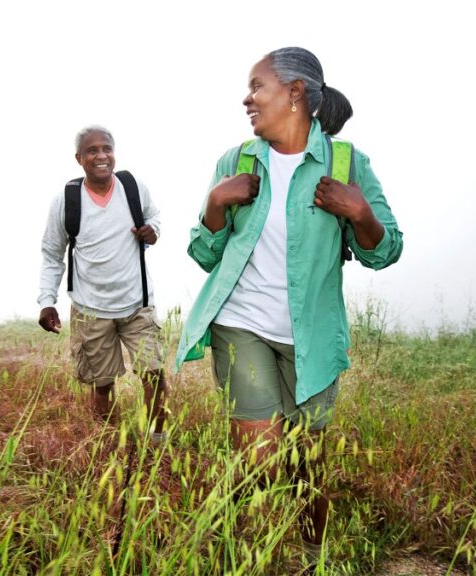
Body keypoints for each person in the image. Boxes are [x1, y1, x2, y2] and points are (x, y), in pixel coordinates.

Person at [174, 47, 403, 568]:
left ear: (295, 94)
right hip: (242, 325)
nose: (246, 99)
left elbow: (385, 250)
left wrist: (359, 212)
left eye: (257, 86)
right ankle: (239, 552)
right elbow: (205, 252)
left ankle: (310, 555)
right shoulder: (236, 162)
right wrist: (215, 203)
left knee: (307, 465)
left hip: (312, 338)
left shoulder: (348, 165)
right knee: (257, 458)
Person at [38, 126, 167, 443]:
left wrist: (153, 231)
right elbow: (52, 254)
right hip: (90, 309)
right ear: (79, 158)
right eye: (92, 150)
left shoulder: (133, 187)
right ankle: (110, 445)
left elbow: (155, 218)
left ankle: (157, 443)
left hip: (138, 303)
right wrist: (47, 301)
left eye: (106, 148)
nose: (101, 156)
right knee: (102, 383)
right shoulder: (66, 201)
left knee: (154, 374)